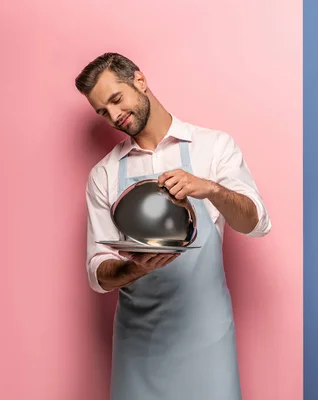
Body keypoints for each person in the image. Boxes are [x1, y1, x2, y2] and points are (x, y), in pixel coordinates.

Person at [76, 52, 271, 400]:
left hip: (207, 339)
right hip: (139, 346)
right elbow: (97, 271)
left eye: (116, 100)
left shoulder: (213, 146)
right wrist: (133, 268)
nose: (115, 116)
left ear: (140, 80)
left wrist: (210, 189)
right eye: (103, 112)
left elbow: (255, 222)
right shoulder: (104, 174)